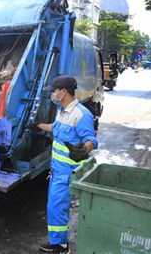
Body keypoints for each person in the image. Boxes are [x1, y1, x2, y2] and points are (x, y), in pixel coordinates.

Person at [32, 75, 98, 254]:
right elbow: (55, 128)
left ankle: (62, 247)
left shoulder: (81, 114)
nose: (53, 94)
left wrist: (83, 150)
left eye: (54, 91)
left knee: (57, 207)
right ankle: (57, 242)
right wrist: (37, 125)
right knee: (53, 207)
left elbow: (91, 139)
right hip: (56, 171)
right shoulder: (63, 111)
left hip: (67, 172)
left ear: (63, 91)